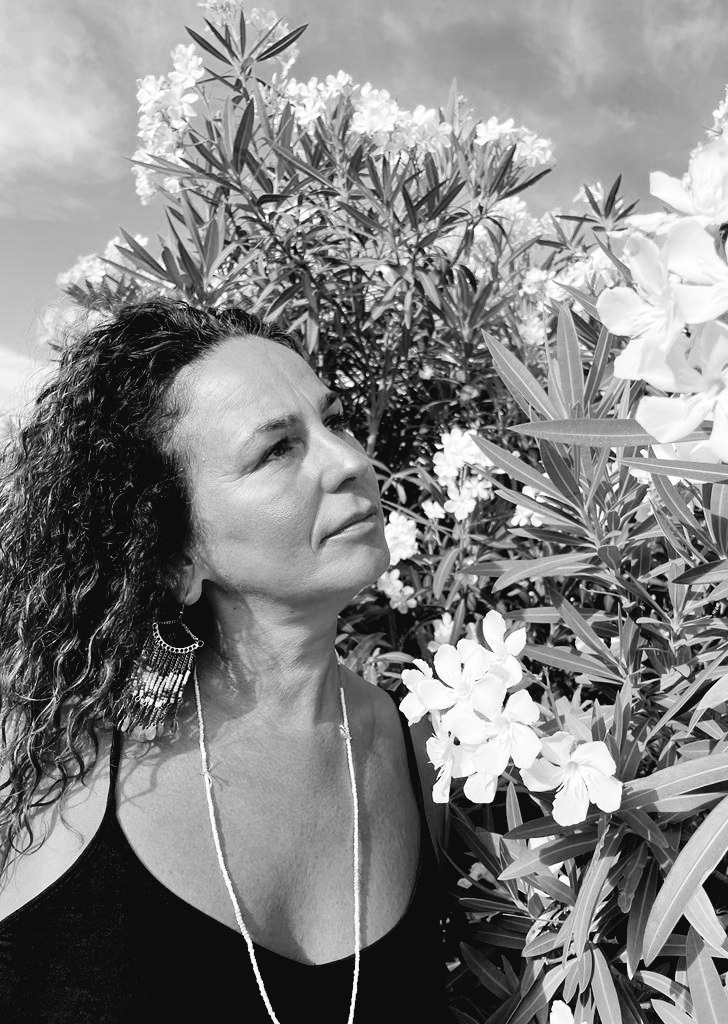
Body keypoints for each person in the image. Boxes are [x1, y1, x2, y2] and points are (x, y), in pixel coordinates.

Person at [0, 299, 452, 1022]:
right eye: (277, 450)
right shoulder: (56, 753)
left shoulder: (414, 749)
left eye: (333, 422)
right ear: (175, 553)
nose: (351, 461)